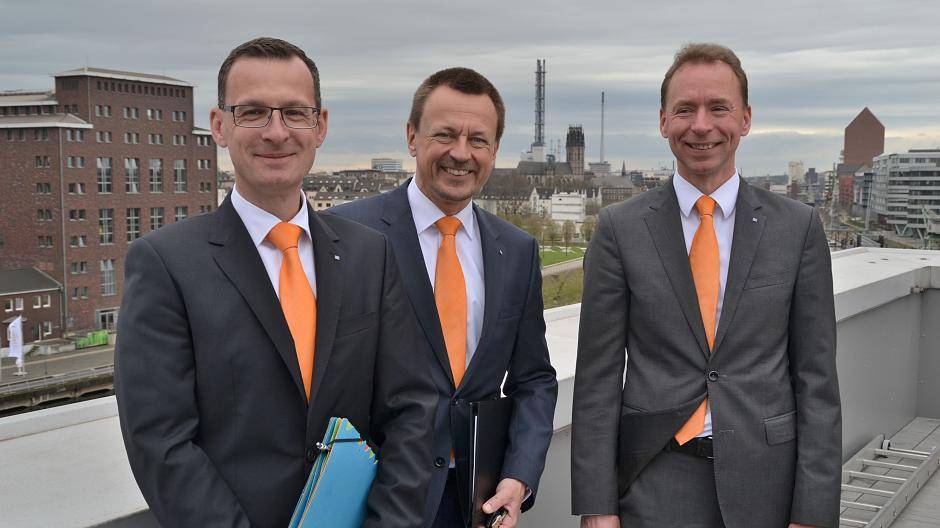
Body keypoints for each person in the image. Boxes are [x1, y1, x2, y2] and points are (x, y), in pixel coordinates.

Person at [115, 37, 435, 528]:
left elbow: (411, 408)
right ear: (220, 126)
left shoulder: (369, 254)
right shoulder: (165, 264)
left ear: (320, 125)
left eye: (294, 113)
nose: (276, 132)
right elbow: (160, 443)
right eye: (253, 113)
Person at [571, 43, 841, 528]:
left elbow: (816, 379)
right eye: (684, 110)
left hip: (769, 486)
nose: (701, 125)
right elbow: (597, 379)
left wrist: (814, 510)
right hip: (653, 481)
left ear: (745, 118)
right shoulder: (619, 228)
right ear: (662, 121)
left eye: (719, 108)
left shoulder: (797, 227)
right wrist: (597, 506)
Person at [330, 67, 557, 528]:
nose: (461, 153)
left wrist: (520, 474)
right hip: (373, 498)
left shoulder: (516, 249)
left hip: (475, 499)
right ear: (412, 137)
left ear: (494, 150)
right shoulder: (345, 234)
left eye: (478, 139)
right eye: (446, 135)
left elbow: (533, 378)